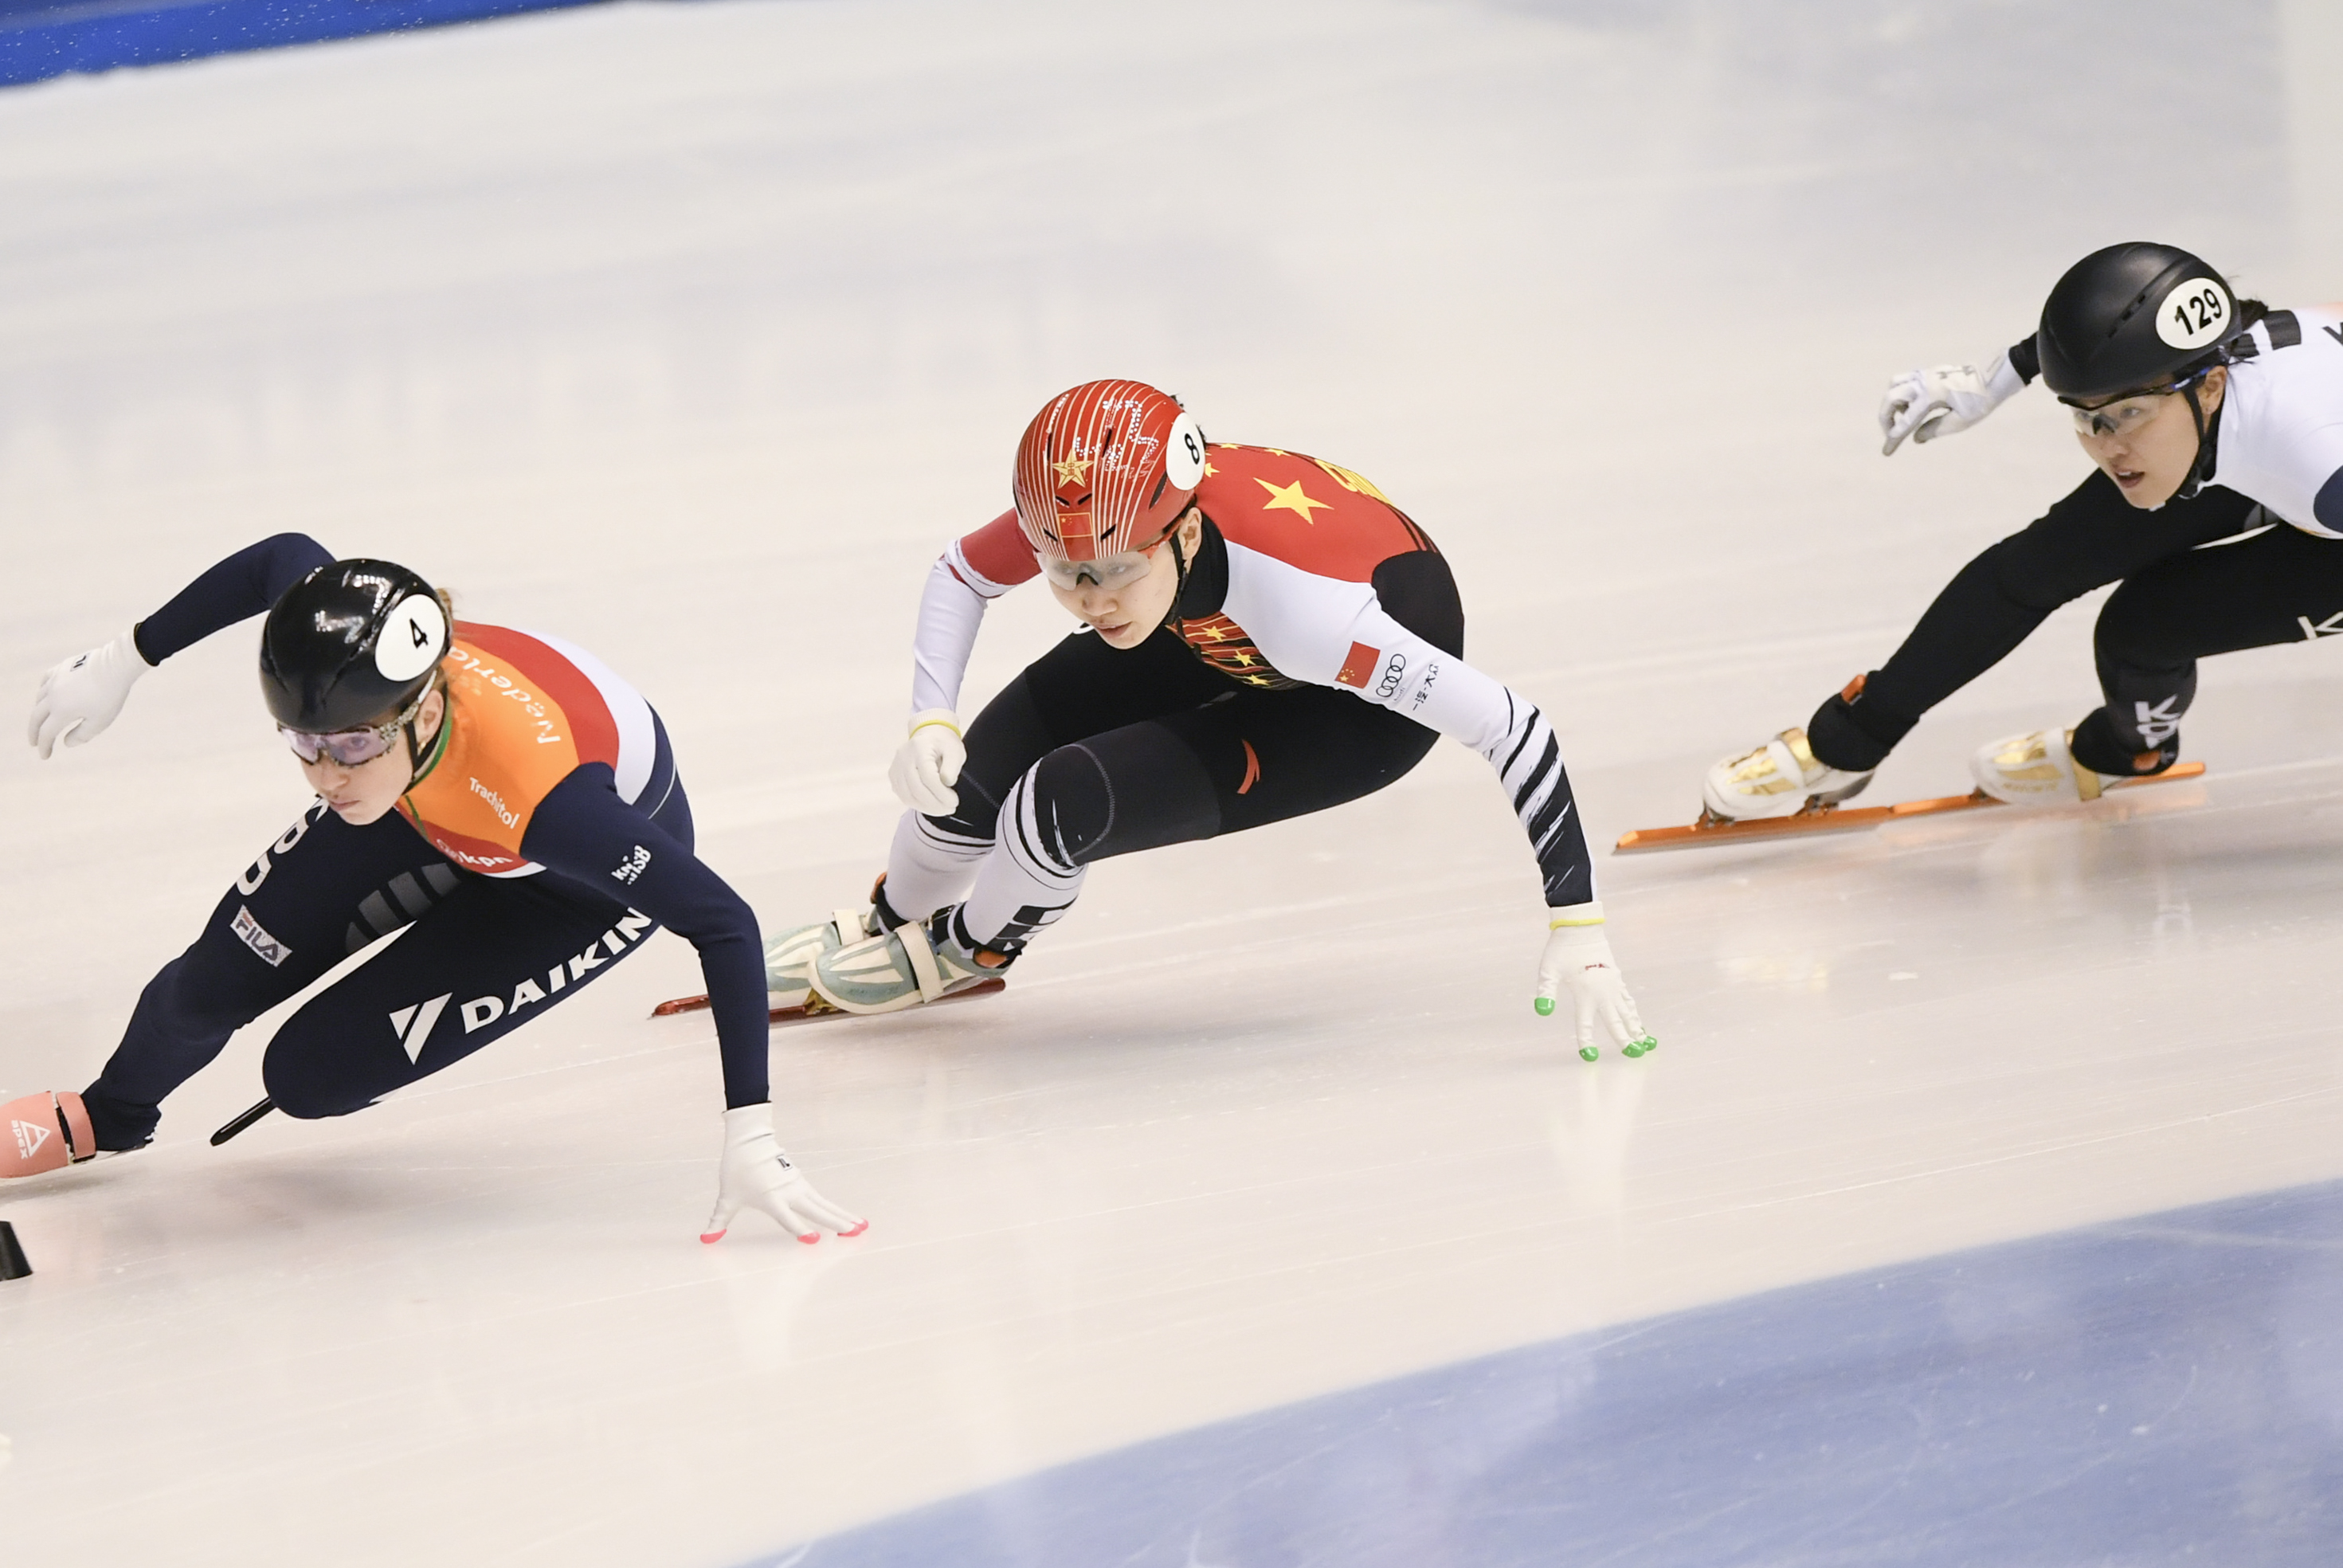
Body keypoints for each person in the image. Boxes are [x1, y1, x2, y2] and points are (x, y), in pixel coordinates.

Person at [761, 379, 1654, 1062]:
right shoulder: (1103, 509)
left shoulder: (1316, 618)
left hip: (1342, 708)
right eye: (1060, 571)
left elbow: (1516, 727)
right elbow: (962, 572)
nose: (1085, 600)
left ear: (1183, 533)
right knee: (960, 788)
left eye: (1109, 571)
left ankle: (968, 948)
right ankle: (891, 918)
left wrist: (1576, 922)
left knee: (1054, 803)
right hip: (1195, 619)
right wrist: (929, 720)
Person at [5, 536, 861, 1246]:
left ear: (418, 715)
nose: (319, 775)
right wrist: (126, 657)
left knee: (306, 1077)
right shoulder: (358, 680)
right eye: (298, 743)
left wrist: (752, 1127)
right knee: (203, 989)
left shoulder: (553, 803)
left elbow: (723, 921)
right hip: (425, 807)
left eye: (343, 749)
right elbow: (283, 560)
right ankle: (109, 1115)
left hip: (569, 884)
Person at [1700, 242, 2343, 819]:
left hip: (2321, 491)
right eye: (2085, 418)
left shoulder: (2313, 461)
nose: (2108, 446)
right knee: (2036, 567)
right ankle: (1844, 746)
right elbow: (2097, 342)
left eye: (2127, 415)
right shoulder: (2192, 371)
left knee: (2141, 629)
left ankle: (2129, 752)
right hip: (2256, 448)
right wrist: (1992, 382)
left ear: (2208, 387)